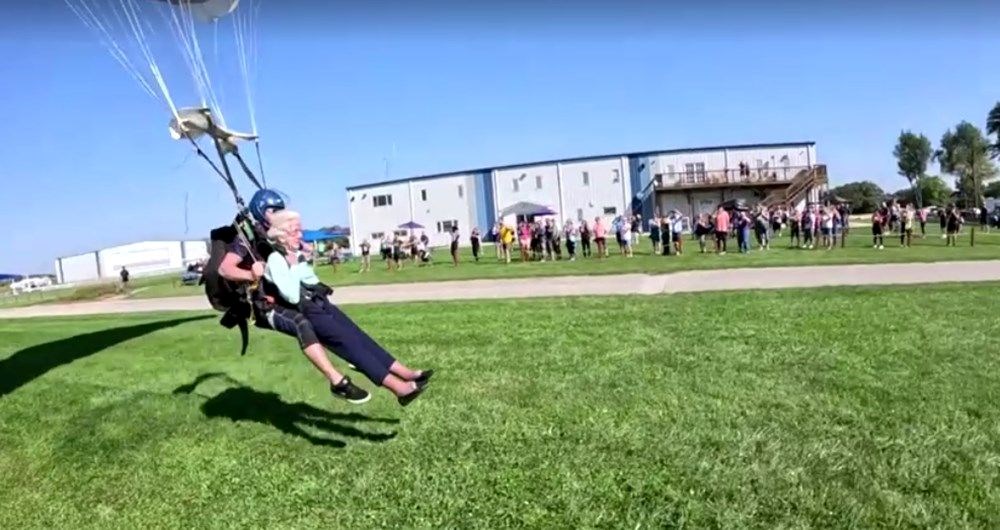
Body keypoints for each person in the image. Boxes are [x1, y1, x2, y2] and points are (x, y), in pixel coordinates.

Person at [216, 189, 372, 405]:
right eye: (275, 211)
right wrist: (251, 273)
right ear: (263, 213)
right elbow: (225, 269)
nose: (281, 214)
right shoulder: (246, 238)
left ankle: (360, 357)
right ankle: (338, 383)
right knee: (302, 324)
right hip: (264, 306)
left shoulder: (277, 233)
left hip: (286, 296)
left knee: (324, 316)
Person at [264, 209, 432, 406]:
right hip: (307, 310)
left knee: (360, 337)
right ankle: (399, 389)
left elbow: (312, 280)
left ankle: (405, 372)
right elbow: (292, 296)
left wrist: (302, 260)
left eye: (299, 230)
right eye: (295, 231)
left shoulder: (295, 254)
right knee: (351, 346)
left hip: (320, 303)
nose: (300, 235)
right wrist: (297, 266)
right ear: (281, 235)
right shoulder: (275, 260)